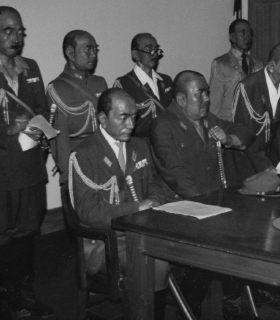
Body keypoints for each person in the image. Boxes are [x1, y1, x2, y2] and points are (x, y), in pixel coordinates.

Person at [68, 88, 175, 318]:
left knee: (192, 249)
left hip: (144, 232)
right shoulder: (84, 155)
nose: (131, 124)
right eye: (123, 117)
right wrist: (137, 207)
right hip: (106, 243)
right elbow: (89, 213)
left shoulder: (139, 146)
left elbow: (156, 182)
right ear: (103, 119)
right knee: (156, 263)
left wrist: (155, 199)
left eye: (134, 117)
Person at [0, 6, 54, 318]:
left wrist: (28, 133)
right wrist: (7, 130)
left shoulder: (29, 67)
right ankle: (7, 297)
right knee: (3, 233)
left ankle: (24, 293)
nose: (16, 37)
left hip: (30, 168)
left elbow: (42, 112)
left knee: (28, 232)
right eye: (7, 31)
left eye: (19, 31)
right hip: (3, 173)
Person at [151, 70, 253, 199]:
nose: (206, 99)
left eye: (207, 93)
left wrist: (229, 139)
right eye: (199, 94)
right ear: (182, 99)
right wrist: (200, 200)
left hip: (213, 198)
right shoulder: (163, 125)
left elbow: (246, 132)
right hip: (183, 203)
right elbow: (175, 173)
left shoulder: (207, 119)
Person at [47, 30, 108, 185]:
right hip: (79, 163)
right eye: (87, 49)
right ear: (70, 53)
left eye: (95, 49)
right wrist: (68, 178)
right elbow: (59, 140)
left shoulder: (100, 83)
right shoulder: (57, 89)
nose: (93, 54)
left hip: (106, 161)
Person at [230, 43, 280, 181]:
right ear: (272, 67)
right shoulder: (247, 87)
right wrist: (264, 166)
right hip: (247, 161)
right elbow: (243, 133)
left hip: (269, 158)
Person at [114, 33, 173, 140]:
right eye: (149, 49)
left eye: (156, 49)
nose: (154, 54)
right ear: (136, 54)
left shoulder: (166, 80)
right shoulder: (124, 84)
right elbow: (122, 122)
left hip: (168, 141)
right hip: (141, 145)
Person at [209, 19, 263, 122]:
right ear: (232, 37)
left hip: (252, 124)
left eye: (249, 33)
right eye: (242, 33)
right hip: (229, 124)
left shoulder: (257, 63)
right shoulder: (221, 64)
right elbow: (214, 103)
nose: (247, 37)